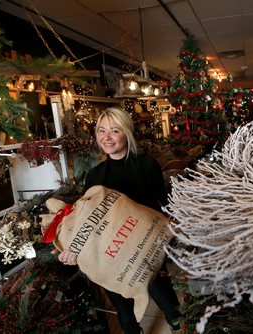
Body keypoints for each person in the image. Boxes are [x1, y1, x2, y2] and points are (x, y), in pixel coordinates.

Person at [57, 107, 182, 334]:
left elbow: (161, 205)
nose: (107, 137)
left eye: (114, 130)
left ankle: (182, 327)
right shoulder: (95, 175)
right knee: (125, 314)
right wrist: (73, 250)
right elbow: (88, 219)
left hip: (146, 250)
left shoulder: (146, 165)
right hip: (110, 255)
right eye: (102, 131)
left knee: (170, 305)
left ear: (127, 133)